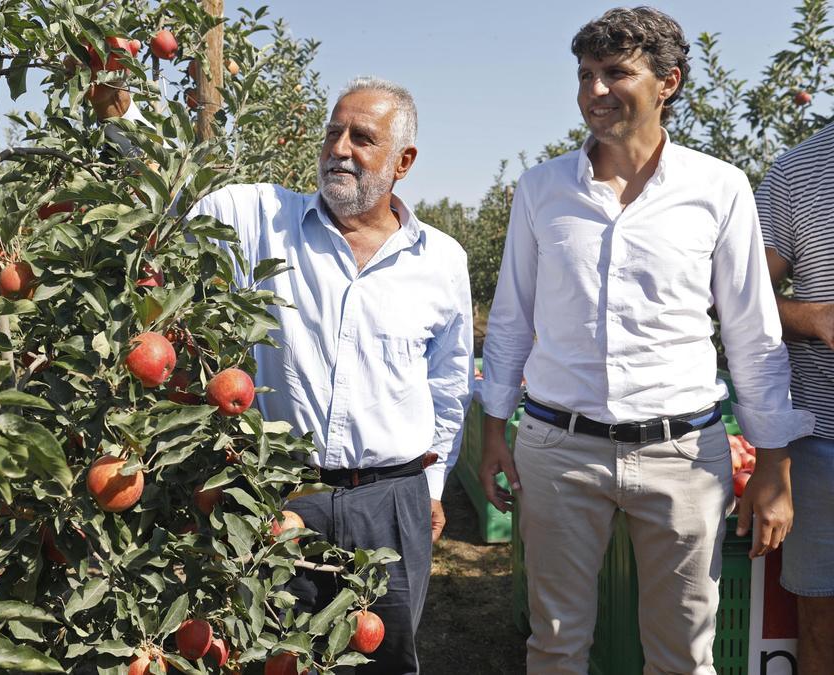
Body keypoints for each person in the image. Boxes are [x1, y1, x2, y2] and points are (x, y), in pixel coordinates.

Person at [476, 7, 814, 674]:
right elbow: (511, 317)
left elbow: (752, 330)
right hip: (558, 447)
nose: (595, 90)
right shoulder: (543, 190)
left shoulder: (718, 188)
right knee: (553, 644)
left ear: (669, 82)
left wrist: (773, 464)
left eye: (615, 73)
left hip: (681, 453)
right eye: (585, 74)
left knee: (684, 653)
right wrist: (493, 431)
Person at [188, 77, 473, 674]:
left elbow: (448, 385)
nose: (340, 149)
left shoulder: (441, 259)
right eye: (333, 133)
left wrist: (438, 481)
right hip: (286, 493)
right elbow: (172, 181)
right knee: (273, 654)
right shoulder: (262, 218)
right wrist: (123, 100)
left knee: (384, 657)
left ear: (404, 161)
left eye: (363, 138)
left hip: (394, 499)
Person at [756, 126, 834, 675]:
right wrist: (813, 317)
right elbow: (736, 296)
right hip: (824, 442)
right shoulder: (797, 172)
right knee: (821, 623)